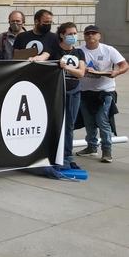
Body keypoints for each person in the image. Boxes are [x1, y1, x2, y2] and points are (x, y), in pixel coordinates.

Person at [75, 25, 128, 163]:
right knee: (89, 122)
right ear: (84, 36)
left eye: (94, 33)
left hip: (104, 92)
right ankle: (91, 147)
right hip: (85, 91)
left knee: (102, 120)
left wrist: (117, 72)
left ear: (99, 36)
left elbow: (124, 65)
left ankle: (107, 151)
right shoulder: (79, 50)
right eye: (88, 34)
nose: (91, 36)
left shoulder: (108, 50)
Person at [50, 22, 86, 168]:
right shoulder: (54, 51)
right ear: (62, 35)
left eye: (74, 33)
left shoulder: (79, 53)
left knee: (69, 125)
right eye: (69, 34)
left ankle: (67, 156)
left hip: (74, 91)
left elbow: (81, 73)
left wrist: (67, 67)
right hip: (57, 91)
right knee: (56, 123)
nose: (72, 36)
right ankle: (54, 154)